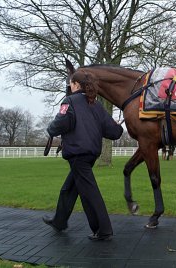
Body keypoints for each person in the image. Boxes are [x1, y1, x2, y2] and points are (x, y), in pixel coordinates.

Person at [43, 71, 123, 241]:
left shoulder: (69, 101)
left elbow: (60, 124)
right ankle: (59, 221)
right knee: (69, 188)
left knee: (89, 192)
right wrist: (118, 126)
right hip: (90, 154)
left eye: (71, 84)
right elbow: (114, 132)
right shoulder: (96, 104)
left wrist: (50, 129)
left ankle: (103, 229)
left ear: (76, 85)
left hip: (77, 153)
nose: (69, 87)